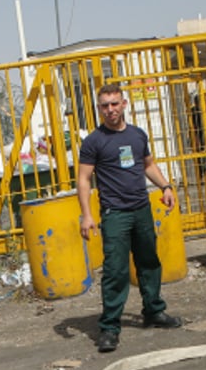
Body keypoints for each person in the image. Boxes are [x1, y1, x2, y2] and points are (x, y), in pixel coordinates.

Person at [77, 82, 182, 353]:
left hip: (141, 209)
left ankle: (153, 311)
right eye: (105, 106)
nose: (110, 110)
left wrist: (166, 187)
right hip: (115, 214)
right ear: (99, 109)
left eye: (115, 104)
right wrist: (86, 215)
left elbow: (148, 164)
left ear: (124, 104)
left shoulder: (137, 135)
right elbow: (84, 178)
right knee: (115, 270)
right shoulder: (93, 141)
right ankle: (110, 327)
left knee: (149, 261)